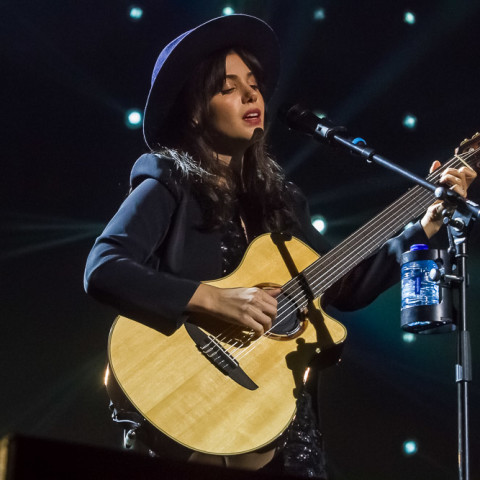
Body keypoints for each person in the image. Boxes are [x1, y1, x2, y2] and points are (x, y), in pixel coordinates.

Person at [84, 14, 476, 478]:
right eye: (228, 87)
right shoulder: (167, 182)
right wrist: (216, 300)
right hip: (194, 403)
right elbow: (104, 266)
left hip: (280, 421)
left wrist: (426, 224)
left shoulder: (280, 202)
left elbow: (345, 285)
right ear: (194, 109)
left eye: (254, 83)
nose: (252, 95)